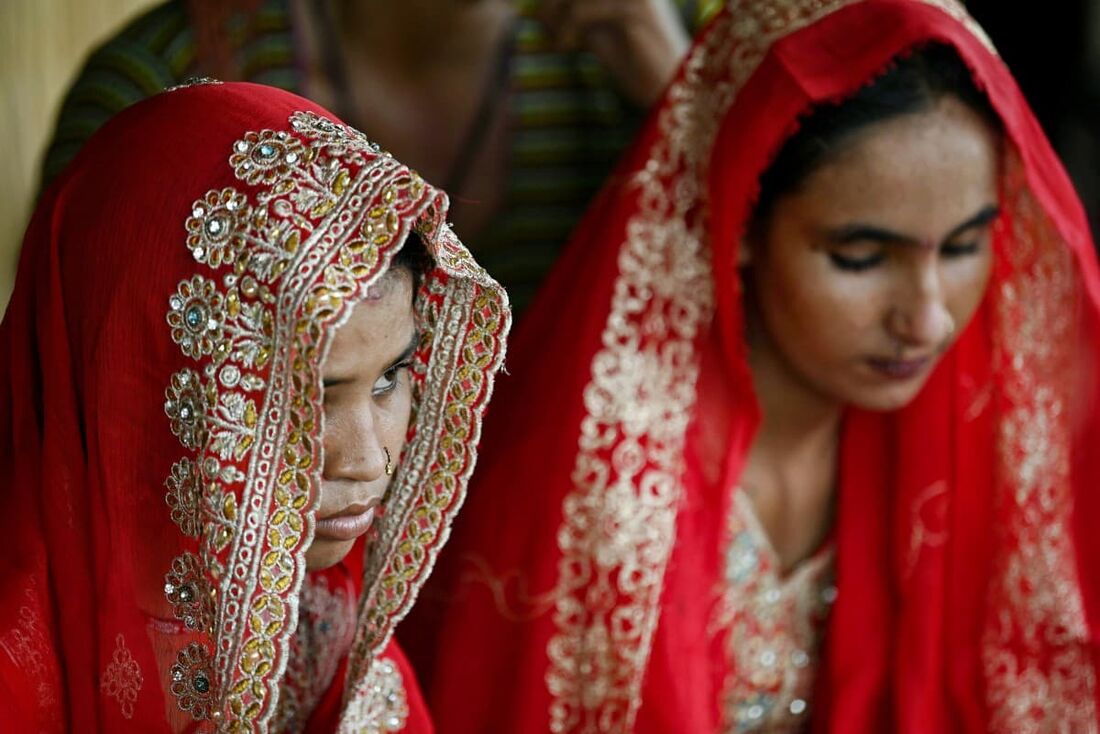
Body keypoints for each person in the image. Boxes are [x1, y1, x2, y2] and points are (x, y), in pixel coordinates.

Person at [405, 0, 1100, 731]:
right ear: (736, 220)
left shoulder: (980, 442)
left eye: (962, 248)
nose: (927, 318)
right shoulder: (592, 496)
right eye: (859, 258)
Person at [0, 81, 509, 732]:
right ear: (147, 379)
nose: (367, 460)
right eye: (309, 398)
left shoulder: (321, 630)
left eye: (391, 377)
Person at [38, 0, 716, 316]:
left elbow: (774, 328)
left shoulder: (631, 61)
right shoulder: (164, 82)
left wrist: (677, 94)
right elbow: (77, 395)